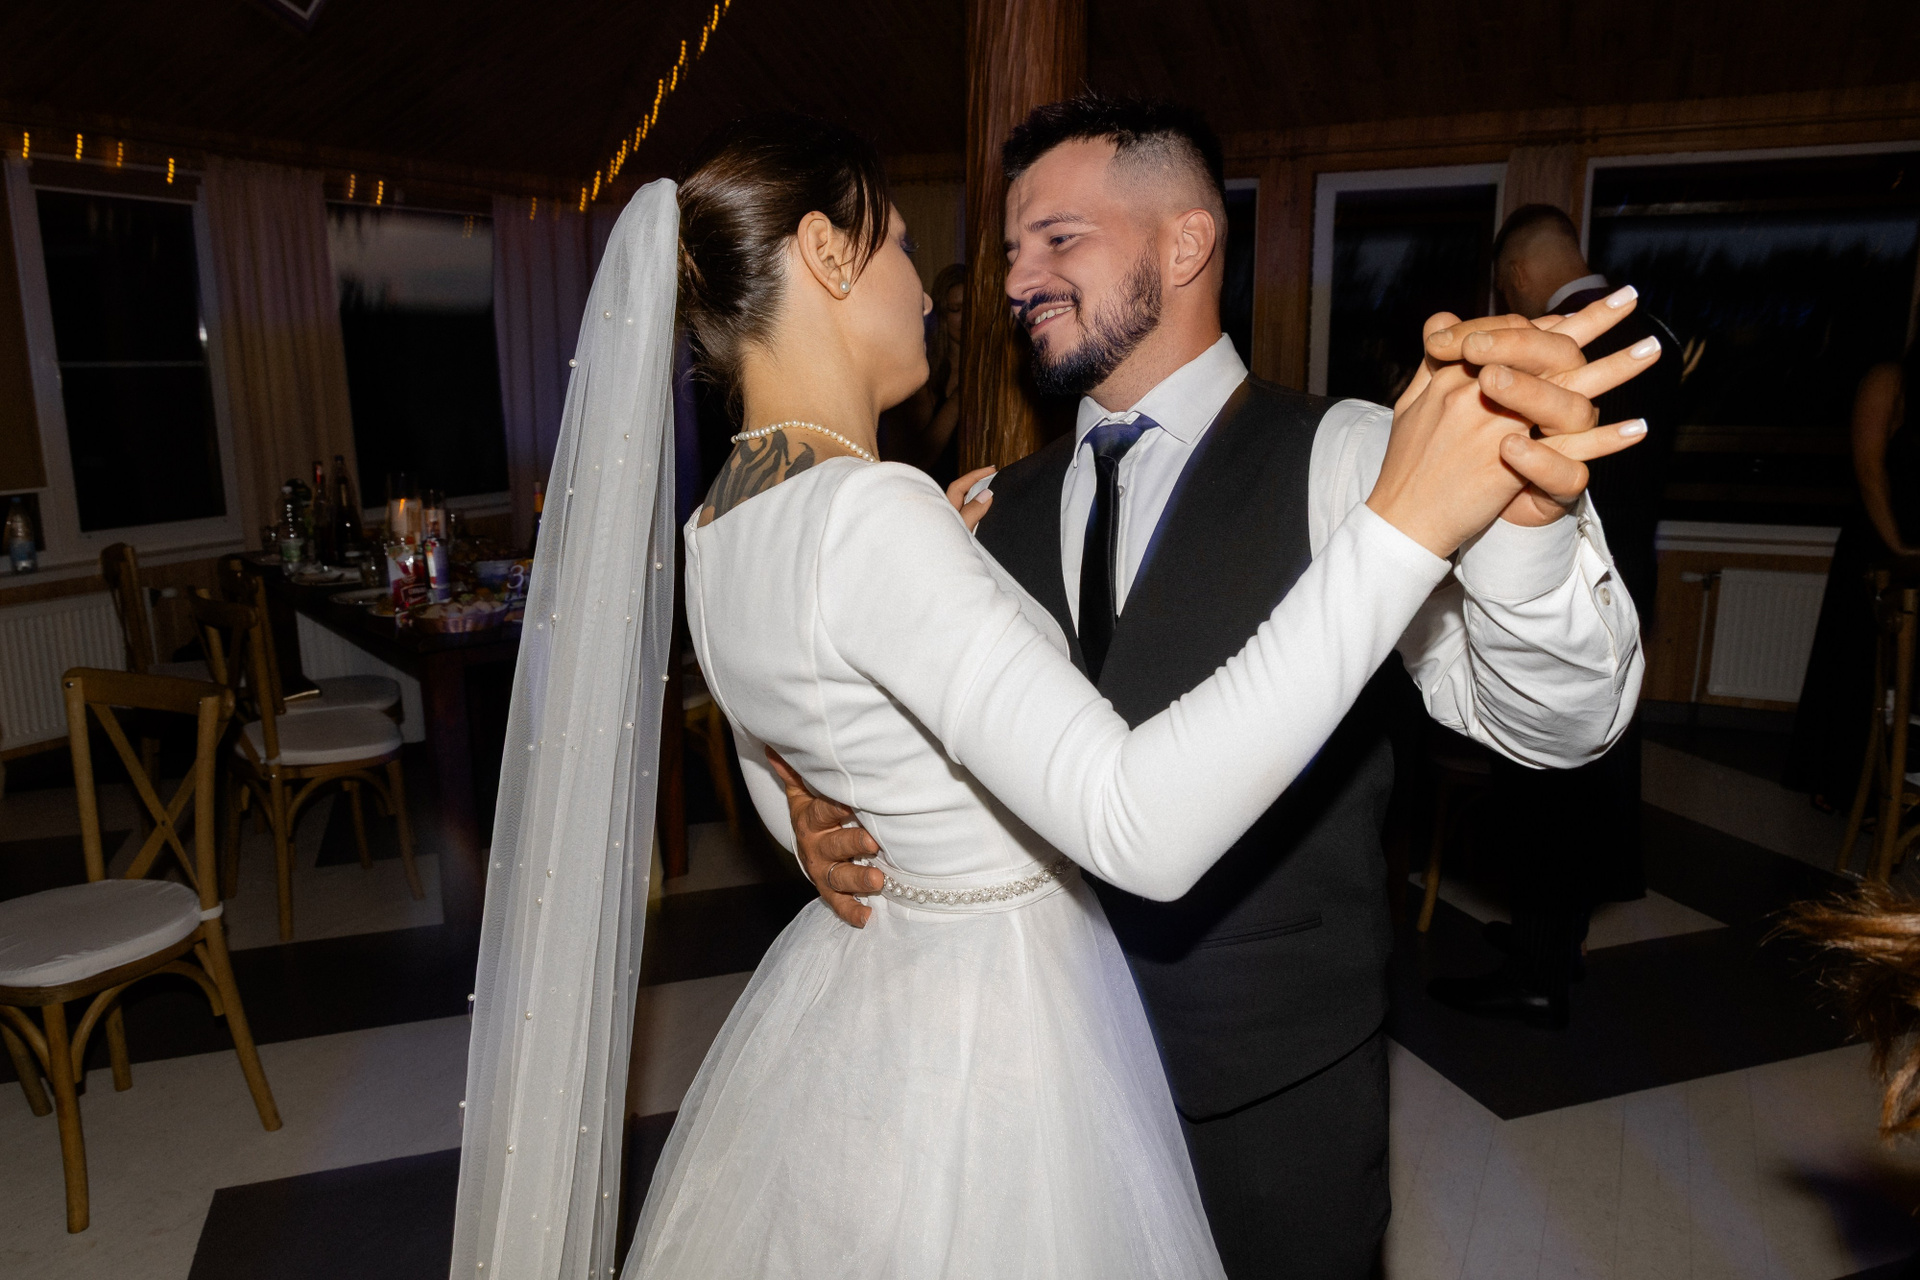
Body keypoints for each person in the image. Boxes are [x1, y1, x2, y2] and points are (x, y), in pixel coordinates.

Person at [780, 98, 1651, 1279]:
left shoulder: (1350, 455)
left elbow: (1557, 722)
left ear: (1187, 243)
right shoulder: (984, 511)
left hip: (1271, 1097)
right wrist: (820, 795)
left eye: (1058, 239)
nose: (1016, 279)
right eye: (1012, 249)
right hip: (1036, 1097)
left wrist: (1528, 533)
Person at [1425, 203, 1683, 1031]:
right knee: (1593, 774)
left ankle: (1537, 973)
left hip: (1553, 582)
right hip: (1627, 579)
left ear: (1519, 275)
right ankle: (1556, 939)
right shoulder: (1657, 337)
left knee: (1539, 778)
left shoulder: (1553, 344)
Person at [1786, 343, 1920, 809]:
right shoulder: (1891, 379)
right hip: (1882, 541)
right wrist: (1897, 546)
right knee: (1857, 667)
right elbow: (1868, 467)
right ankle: (1845, 787)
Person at [879, 261, 966, 485]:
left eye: (972, 307)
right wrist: (960, 396)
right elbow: (915, 458)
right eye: (956, 309)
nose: (966, 317)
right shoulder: (924, 372)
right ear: (942, 314)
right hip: (931, 490)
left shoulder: (1001, 370)